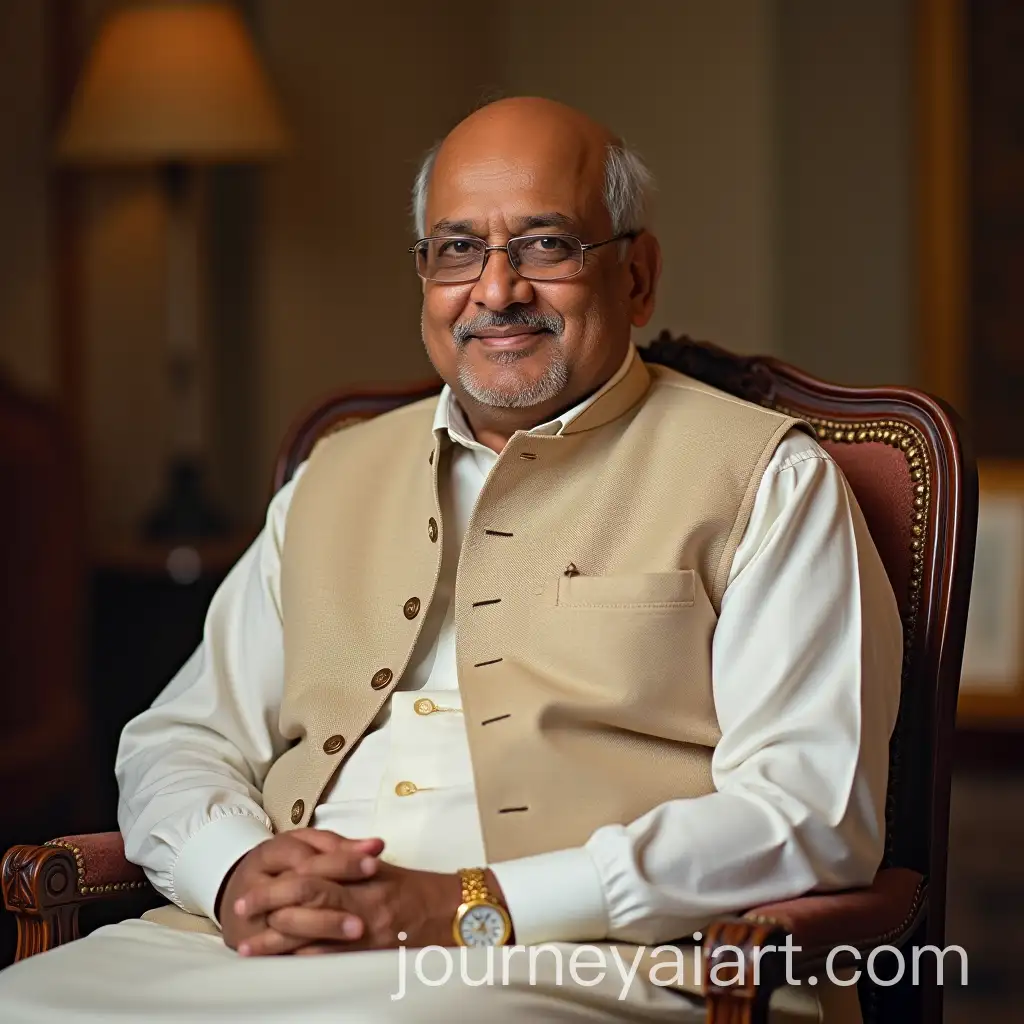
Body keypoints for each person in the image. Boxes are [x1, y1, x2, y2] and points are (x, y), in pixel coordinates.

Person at [0, 96, 901, 1023]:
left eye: (547, 245)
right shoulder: (332, 474)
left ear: (637, 275)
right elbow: (181, 737)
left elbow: (809, 816)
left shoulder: (769, 479)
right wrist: (231, 869)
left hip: (583, 963)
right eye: (458, 249)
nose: (497, 289)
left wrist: (469, 908)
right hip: (252, 946)